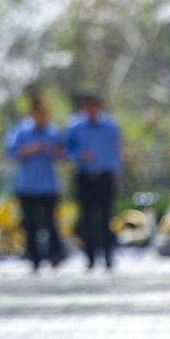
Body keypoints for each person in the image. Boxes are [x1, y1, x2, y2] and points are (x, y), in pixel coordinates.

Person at [4, 94, 66, 271]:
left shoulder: (52, 132)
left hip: (48, 185)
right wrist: (32, 149)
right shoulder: (20, 131)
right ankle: (34, 259)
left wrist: (55, 151)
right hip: (28, 185)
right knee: (30, 224)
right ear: (32, 113)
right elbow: (12, 152)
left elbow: (63, 154)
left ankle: (55, 255)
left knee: (50, 221)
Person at [65, 91, 122, 269]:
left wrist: (116, 173)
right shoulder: (75, 126)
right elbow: (66, 149)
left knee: (106, 216)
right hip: (84, 176)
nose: (90, 110)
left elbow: (116, 151)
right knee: (86, 218)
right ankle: (90, 257)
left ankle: (108, 255)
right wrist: (79, 155)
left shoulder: (110, 126)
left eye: (93, 107)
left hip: (105, 176)